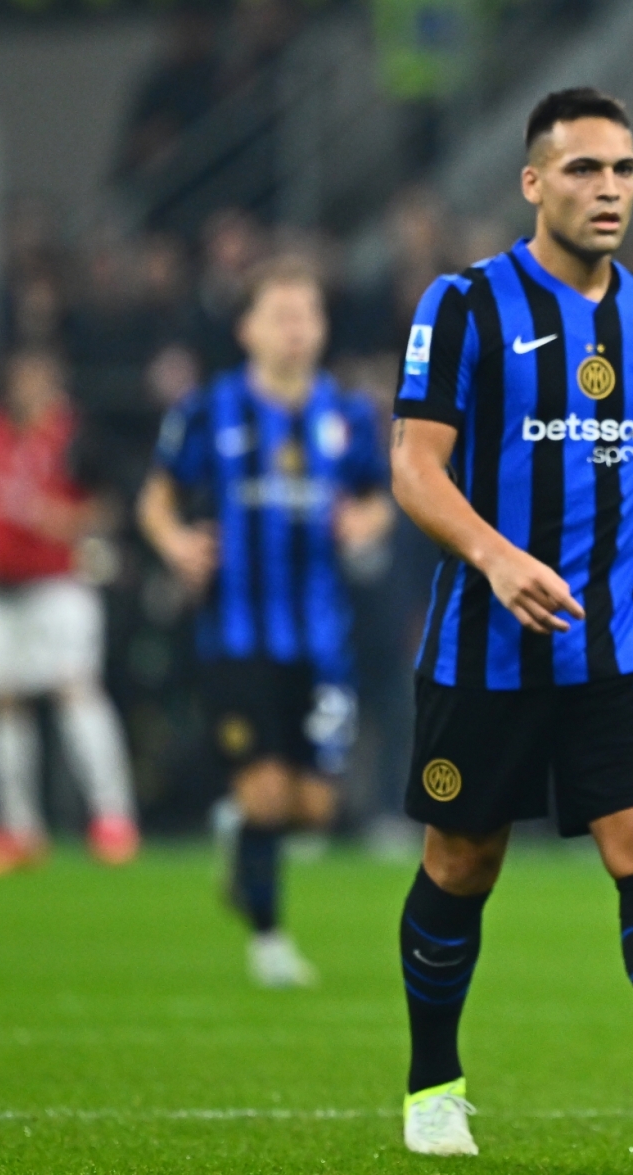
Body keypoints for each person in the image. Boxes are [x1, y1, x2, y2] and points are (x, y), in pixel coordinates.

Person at [385, 87, 633, 1162]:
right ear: (533, 182)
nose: (608, 190)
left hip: (617, 645)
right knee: (462, 861)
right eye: (582, 171)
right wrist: (499, 557)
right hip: (486, 642)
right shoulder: (463, 306)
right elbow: (414, 468)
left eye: (623, 171)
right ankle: (433, 1082)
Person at [139, 258, 393, 986]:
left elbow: (378, 498)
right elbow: (156, 499)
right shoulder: (208, 411)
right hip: (235, 637)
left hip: (321, 640)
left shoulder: (345, 417)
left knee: (313, 809)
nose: (293, 328)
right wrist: (177, 542)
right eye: (279, 313)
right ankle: (269, 938)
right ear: (247, 327)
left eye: (305, 314)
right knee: (267, 792)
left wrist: (362, 523)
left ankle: (239, 836)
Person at [0, 347, 140, 875]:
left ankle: (113, 818)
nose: (30, 389)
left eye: (39, 378)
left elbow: (111, 503)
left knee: (75, 691)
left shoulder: (76, 436)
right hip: (1, 587)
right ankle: (18, 827)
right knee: (2, 700)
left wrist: (67, 520)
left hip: (61, 584)